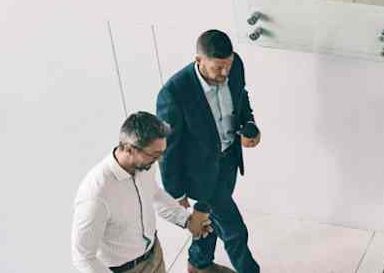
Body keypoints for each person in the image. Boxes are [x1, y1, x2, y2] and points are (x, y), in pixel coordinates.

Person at [157, 29, 262, 273]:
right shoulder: (173, 94)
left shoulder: (234, 66)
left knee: (208, 217)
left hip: (229, 162)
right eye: (218, 68)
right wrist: (176, 192)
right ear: (198, 61)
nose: (225, 73)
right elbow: (167, 149)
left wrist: (250, 125)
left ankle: (198, 263)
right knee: (235, 230)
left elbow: (241, 97)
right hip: (200, 175)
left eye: (228, 65)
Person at [72, 112, 213, 273]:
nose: (159, 160)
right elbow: (83, 257)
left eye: (161, 154)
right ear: (128, 148)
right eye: (153, 155)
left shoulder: (144, 165)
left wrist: (186, 219)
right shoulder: (96, 194)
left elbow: (155, 194)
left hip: (154, 255)